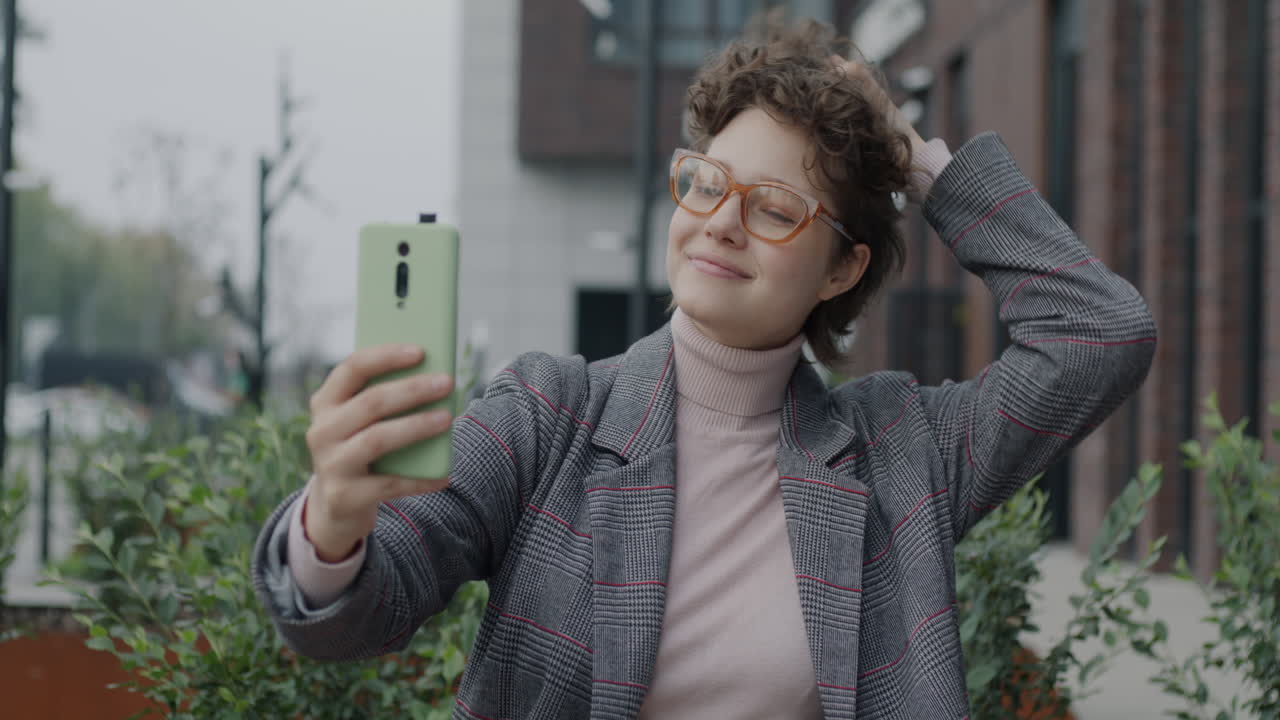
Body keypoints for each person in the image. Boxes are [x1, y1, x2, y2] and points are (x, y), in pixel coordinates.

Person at [253, 16, 1156, 720]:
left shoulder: (901, 454)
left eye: (775, 208)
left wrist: (915, 160)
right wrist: (333, 522)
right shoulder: (547, 415)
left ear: (843, 267)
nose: (721, 220)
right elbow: (368, 609)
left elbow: (1101, 334)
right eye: (707, 183)